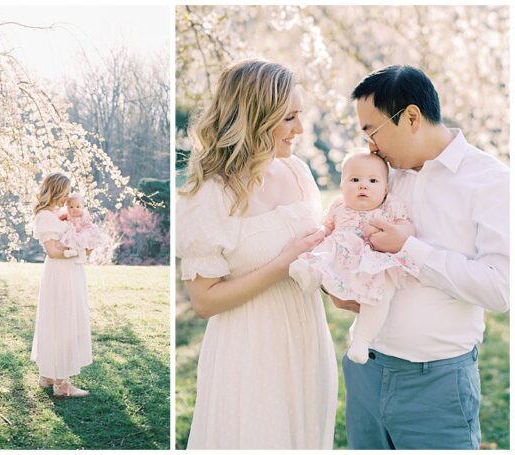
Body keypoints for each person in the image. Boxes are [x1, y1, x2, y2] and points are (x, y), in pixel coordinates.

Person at [330, 65, 510, 449]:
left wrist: (410, 250)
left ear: (411, 117)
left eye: (372, 131)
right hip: (366, 372)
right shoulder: (383, 175)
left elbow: (501, 289)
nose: (370, 146)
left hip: (437, 384)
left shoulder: (490, 182)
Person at [176, 59, 336, 448]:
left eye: (300, 116)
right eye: (289, 118)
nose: (300, 130)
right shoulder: (210, 193)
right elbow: (204, 301)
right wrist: (282, 264)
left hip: (307, 338)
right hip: (250, 348)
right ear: (256, 118)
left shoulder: (297, 171)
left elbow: (315, 255)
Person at [289, 152, 418, 364]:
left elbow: (406, 225)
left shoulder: (390, 205)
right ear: (342, 187)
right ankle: (308, 272)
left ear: (385, 189)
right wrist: (318, 237)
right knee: (324, 251)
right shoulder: (339, 206)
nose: (363, 186)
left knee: (382, 291)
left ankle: (362, 340)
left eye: (373, 181)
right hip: (342, 253)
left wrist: (402, 232)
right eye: (355, 180)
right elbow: (327, 228)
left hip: (373, 260)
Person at [30, 173, 93, 397]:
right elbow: (53, 251)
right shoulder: (46, 217)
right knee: (62, 321)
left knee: (61, 319)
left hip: (69, 272)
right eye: (64, 192)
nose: (67, 197)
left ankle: (48, 374)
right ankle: (61, 383)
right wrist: (77, 252)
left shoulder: (58, 215)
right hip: (60, 273)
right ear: (54, 191)